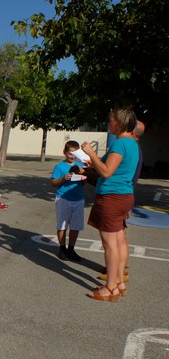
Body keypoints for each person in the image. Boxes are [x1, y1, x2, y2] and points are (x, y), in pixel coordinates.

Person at [81, 108, 138, 302]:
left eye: (111, 119)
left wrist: (90, 152)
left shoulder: (120, 144)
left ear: (119, 123)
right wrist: (91, 161)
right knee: (120, 239)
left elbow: (106, 172)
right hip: (124, 196)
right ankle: (119, 283)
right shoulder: (132, 143)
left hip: (111, 198)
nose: (108, 122)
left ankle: (110, 288)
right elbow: (103, 165)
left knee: (110, 244)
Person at [50, 140, 86, 261]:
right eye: (70, 153)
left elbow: (85, 182)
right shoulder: (59, 166)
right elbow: (53, 183)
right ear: (64, 152)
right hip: (63, 199)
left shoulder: (82, 166)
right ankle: (62, 248)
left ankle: (71, 249)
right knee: (62, 225)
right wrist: (63, 178)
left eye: (75, 154)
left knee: (75, 226)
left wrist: (83, 177)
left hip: (79, 199)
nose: (72, 156)